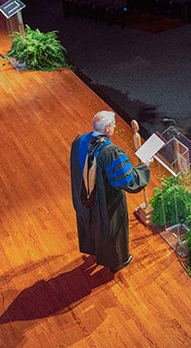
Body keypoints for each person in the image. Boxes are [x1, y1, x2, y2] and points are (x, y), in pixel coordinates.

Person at [70, 110, 150, 273]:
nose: (114, 127)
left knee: (91, 223)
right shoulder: (111, 152)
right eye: (113, 125)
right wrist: (144, 167)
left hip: (84, 196)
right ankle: (117, 262)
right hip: (106, 202)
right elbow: (129, 181)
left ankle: (93, 250)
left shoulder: (79, 141)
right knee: (112, 230)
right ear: (107, 129)